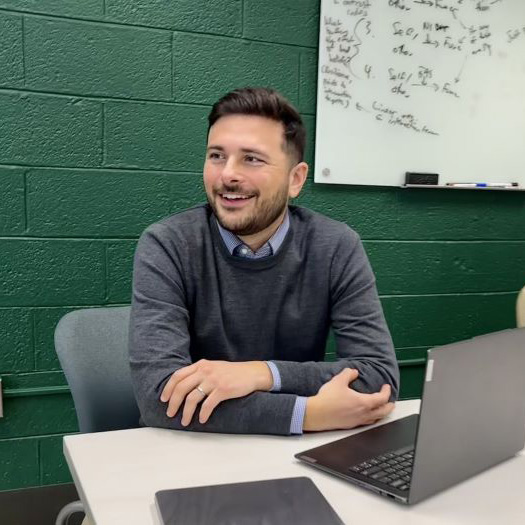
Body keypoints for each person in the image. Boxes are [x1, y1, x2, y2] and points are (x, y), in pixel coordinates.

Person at [129, 87, 399, 436]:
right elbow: (158, 398)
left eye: (251, 159)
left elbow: (379, 378)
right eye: (216, 156)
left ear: (295, 179)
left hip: (293, 454)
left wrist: (262, 373)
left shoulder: (335, 246)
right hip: (193, 446)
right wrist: (308, 413)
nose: (227, 175)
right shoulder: (167, 245)